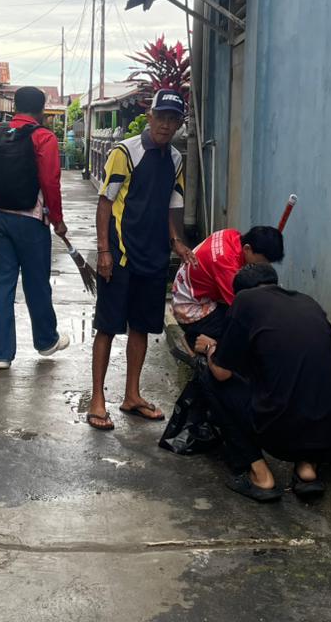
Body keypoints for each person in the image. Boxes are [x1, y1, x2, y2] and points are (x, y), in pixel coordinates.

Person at [195, 264, 331, 502]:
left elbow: (222, 373)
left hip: (278, 436)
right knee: (300, 394)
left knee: (207, 374)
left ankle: (260, 476)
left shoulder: (245, 301)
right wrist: (325, 402)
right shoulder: (307, 302)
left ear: (240, 293)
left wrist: (210, 348)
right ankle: (307, 469)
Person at [87, 88, 197, 431]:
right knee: (107, 327)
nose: (166, 125)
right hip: (119, 256)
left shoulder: (176, 159)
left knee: (141, 328)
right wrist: (104, 251)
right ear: (149, 117)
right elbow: (105, 204)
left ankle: (132, 395)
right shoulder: (126, 152)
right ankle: (96, 399)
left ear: (179, 124)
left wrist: (177, 243)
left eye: (173, 119)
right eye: (161, 117)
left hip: (153, 258)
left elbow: (172, 205)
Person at [0, 86, 71, 370]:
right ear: (42, 110)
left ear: (14, 106)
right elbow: (51, 182)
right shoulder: (43, 137)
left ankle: (1, 355)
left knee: (1, 285)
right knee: (36, 283)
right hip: (31, 221)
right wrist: (58, 220)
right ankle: (45, 341)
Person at [173, 225, 285, 348]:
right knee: (240, 335)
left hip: (194, 292)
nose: (263, 266)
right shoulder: (227, 266)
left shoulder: (232, 235)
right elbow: (242, 308)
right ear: (247, 249)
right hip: (189, 311)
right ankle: (192, 340)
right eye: (261, 262)